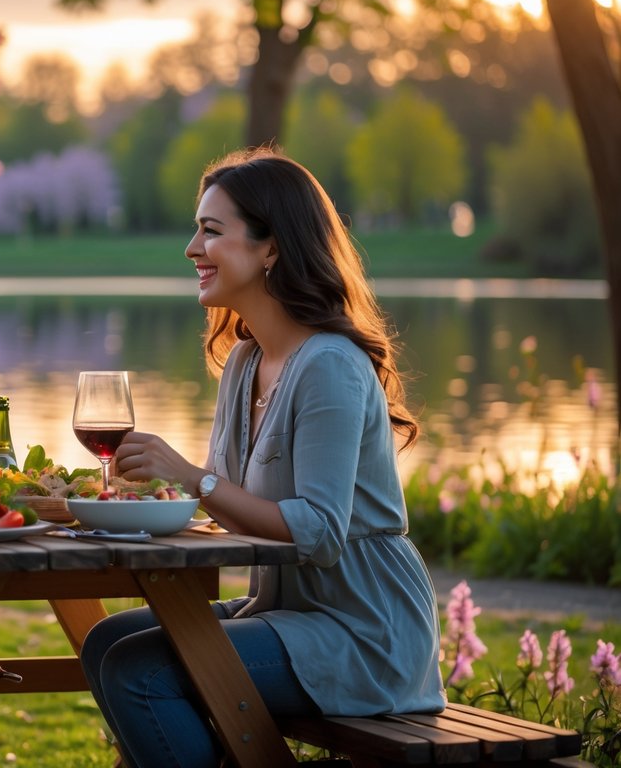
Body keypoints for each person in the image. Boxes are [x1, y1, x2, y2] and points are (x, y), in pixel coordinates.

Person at [82, 149, 445, 767]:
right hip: (284, 608)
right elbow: (230, 506)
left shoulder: (329, 364)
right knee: (106, 639)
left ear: (271, 248)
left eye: (211, 231)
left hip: (361, 629)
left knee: (138, 670)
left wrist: (189, 478)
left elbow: (321, 533)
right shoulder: (245, 363)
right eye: (197, 229)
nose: (192, 248)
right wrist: (147, 498)